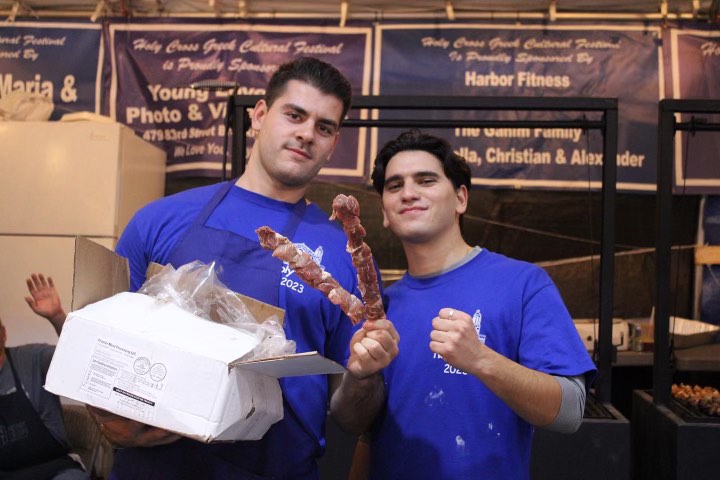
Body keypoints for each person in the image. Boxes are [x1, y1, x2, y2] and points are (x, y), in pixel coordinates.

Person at [87, 56, 399, 480]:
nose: (307, 133)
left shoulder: (342, 257)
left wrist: (364, 378)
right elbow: (100, 347)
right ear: (259, 116)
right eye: (294, 115)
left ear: (332, 144)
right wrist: (113, 422)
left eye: (324, 127)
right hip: (153, 467)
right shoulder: (159, 220)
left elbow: (353, 419)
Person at [366, 130, 596, 480]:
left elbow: (569, 411)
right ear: (384, 211)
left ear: (461, 198)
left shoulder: (523, 284)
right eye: (395, 185)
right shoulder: (383, 305)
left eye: (426, 180)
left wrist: (481, 359)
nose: (408, 193)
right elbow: (369, 434)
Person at [0, 274, 90, 480]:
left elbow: (81, 358)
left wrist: (57, 316)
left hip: (54, 469)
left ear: (3, 333)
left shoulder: (33, 358)